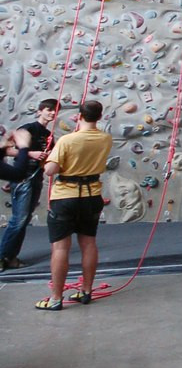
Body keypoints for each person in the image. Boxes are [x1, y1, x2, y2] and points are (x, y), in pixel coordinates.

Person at [36, 100, 113, 310]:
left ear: (79, 115)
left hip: (66, 197)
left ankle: (55, 299)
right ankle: (87, 291)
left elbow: (50, 170)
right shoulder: (106, 139)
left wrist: (48, 157)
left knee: (61, 247)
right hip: (92, 196)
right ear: (99, 116)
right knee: (89, 243)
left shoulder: (68, 140)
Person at [1, 97, 58, 270]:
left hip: (36, 177)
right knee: (19, 220)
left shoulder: (49, 135)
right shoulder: (28, 128)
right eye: (48, 109)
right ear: (39, 111)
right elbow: (9, 150)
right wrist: (31, 153)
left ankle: (10, 257)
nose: (52, 113)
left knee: (24, 220)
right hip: (23, 177)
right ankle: (3, 255)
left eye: (55, 111)